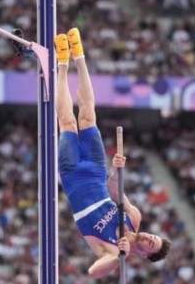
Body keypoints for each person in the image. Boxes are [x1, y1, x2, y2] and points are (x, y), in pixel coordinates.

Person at [54, 28, 172, 279]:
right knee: (87, 115)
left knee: (67, 122)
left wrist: (117, 258)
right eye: (155, 237)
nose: (150, 237)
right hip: (97, 171)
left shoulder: (110, 251)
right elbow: (115, 189)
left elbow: (93, 272)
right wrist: (118, 169)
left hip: (73, 177)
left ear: (143, 254)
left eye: (150, 244)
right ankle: (79, 56)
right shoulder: (134, 218)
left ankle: (62, 63)